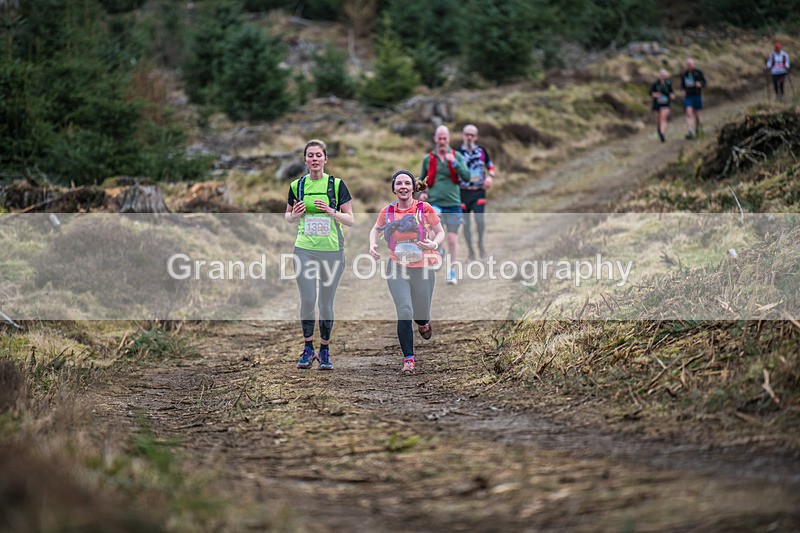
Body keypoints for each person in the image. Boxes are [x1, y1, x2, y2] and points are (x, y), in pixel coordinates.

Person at [285, 139, 354, 370]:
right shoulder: (297, 186)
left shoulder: (336, 185)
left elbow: (350, 219)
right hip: (304, 248)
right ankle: (307, 348)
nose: (314, 159)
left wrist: (331, 212)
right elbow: (288, 217)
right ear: (305, 160)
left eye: (318, 155)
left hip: (332, 251)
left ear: (325, 159)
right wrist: (294, 214)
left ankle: (324, 349)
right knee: (307, 299)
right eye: (310, 155)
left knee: (325, 302)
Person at [369, 170, 445, 374]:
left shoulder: (424, 208)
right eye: (399, 183)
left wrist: (433, 243)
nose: (403, 187)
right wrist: (373, 245)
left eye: (407, 183)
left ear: (413, 187)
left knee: (420, 315)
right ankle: (409, 359)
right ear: (393, 188)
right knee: (404, 311)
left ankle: (423, 322)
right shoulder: (388, 211)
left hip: (423, 267)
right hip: (396, 266)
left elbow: (440, 232)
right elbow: (376, 229)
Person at [419, 125, 470, 285]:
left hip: (453, 203)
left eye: (445, 138)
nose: (442, 141)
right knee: (433, 234)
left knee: (452, 239)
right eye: (439, 138)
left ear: (448, 139)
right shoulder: (428, 159)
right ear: (435, 139)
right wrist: (421, 193)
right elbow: (421, 181)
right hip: (435, 203)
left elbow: (467, 176)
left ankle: (452, 271)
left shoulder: (457, 156)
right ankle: (438, 252)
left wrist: (455, 163)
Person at [457, 124, 495, 260]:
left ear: (476, 137)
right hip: (462, 193)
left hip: (479, 192)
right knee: (466, 224)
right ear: (463, 135)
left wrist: (490, 178)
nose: (469, 137)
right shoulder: (456, 153)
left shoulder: (482, 151)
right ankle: (471, 251)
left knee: (480, 221)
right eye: (467, 134)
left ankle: (480, 244)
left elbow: (491, 167)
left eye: (472, 135)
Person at [680, 58, 706, 140]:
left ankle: (697, 129)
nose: (689, 66)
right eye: (688, 64)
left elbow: (704, 83)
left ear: (693, 64)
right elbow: (682, 86)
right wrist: (682, 92)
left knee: (697, 115)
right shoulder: (684, 74)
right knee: (688, 112)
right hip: (688, 97)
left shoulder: (698, 72)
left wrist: (700, 84)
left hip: (697, 95)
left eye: (690, 64)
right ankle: (690, 131)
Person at [650, 69, 675, 143]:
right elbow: (651, 93)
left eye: (664, 75)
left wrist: (672, 95)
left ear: (666, 76)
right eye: (661, 75)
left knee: (663, 118)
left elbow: (672, 93)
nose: (663, 77)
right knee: (658, 120)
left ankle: (662, 134)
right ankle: (659, 130)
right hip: (657, 104)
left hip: (665, 104)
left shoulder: (668, 84)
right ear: (659, 76)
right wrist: (655, 95)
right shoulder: (655, 84)